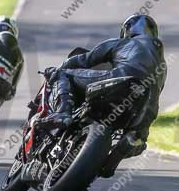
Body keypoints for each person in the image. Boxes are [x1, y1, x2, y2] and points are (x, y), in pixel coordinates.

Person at [40, 13, 167, 160]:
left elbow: (85, 59)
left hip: (120, 81)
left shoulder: (122, 43)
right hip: (145, 111)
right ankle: (119, 152)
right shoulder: (163, 66)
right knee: (137, 139)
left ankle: (63, 113)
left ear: (128, 30)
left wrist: (57, 69)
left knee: (64, 74)